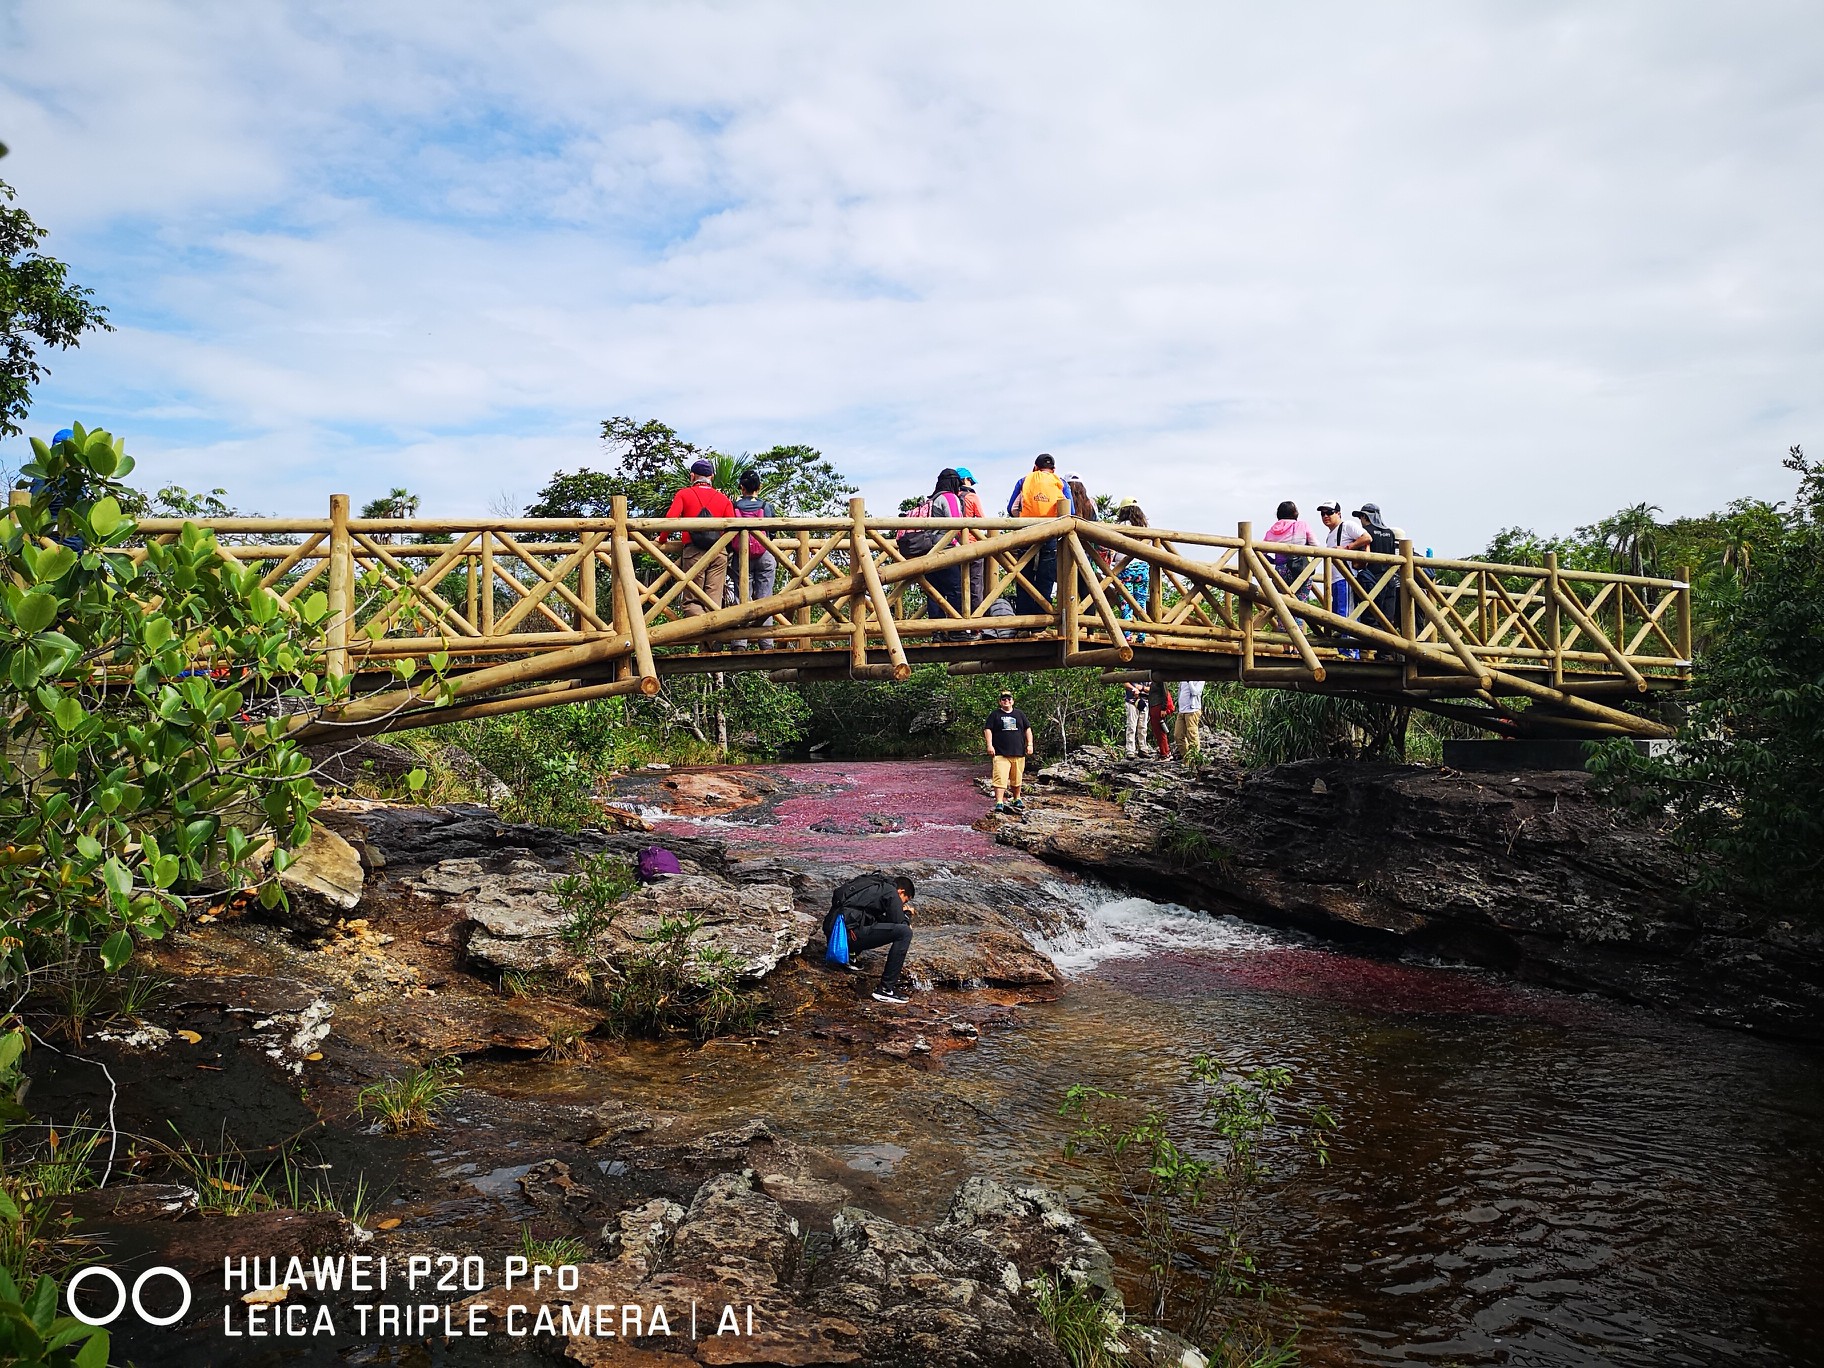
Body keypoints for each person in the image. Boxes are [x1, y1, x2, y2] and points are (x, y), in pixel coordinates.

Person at [825, 873, 918, 1004]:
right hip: (847, 936)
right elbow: (899, 923)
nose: (902, 903)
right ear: (901, 891)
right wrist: (906, 913)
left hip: (835, 934)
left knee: (870, 922)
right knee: (905, 933)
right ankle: (886, 989)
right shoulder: (891, 891)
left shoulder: (874, 885)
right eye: (905, 900)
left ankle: (850, 957)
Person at [662, 460, 737, 619]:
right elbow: (733, 526)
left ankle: (703, 631)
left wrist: (662, 538)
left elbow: (670, 518)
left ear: (692, 476)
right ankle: (712, 638)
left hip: (694, 552)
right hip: (718, 552)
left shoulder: (684, 494)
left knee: (692, 602)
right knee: (713, 602)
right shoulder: (723, 499)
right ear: (712, 477)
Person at [1006, 454, 1069, 621]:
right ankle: (1042, 618)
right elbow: (1072, 511)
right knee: (1046, 575)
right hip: (1051, 532)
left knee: (1023, 573)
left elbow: (1010, 508)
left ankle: (1023, 617)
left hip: (1028, 533)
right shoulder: (1061, 482)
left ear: (1035, 467)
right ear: (1053, 469)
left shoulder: (1024, 481)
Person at [901, 469, 967, 628]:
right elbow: (957, 524)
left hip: (929, 551)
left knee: (934, 592)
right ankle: (956, 629)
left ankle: (936, 631)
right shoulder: (949, 497)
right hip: (946, 550)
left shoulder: (931, 500)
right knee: (955, 590)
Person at [730, 469, 778, 648]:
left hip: (741, 558)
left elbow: (727, 531)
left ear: (741, 487)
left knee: (741, 597)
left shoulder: (734, 506)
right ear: (760, 486)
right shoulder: (766, 506)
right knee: (765, 599)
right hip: (764, 555)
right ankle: (766, 642)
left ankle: (739, 642)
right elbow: (772, 532)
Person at [1316, 501, 1368, 656]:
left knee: (1348, 614)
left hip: (1347, 577)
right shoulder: (1330, 534)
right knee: (1340, 614)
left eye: (1329, 512)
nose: (1325, 516)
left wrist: (1347, 548)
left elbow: (1366, 537)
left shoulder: (1347, 526)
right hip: (1336, 580)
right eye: (1322, 513)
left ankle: (1351, 652)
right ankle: (1343, 650)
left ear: (1338, 513)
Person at [1351, 503, 1404, 636]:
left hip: (1372, 579)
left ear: (1365, 516)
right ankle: (1385, 653)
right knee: (1387, 619)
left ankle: (1369, 648)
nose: (1360, 521)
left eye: (1360, 517)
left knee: (1370, 618)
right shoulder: (1390, 533)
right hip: (1389, 579)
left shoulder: (1366, 532)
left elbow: (1361, 558)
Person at [984, 689, 1034, 814]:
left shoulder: (1019, 714)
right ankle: (999, 802)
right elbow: (988, 730)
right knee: (1000, 778)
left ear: (1012, 701)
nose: (1006, 701)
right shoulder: (995, 715)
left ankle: (1017, 798)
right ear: (1000, 702)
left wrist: (1030, 744)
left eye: (1008, 699)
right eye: (1003, 699)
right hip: (1000, 753)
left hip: (1018, 752)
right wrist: (989, 745)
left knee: (1016, 778)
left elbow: (1027, 729)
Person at [1262, 501, 1319, 600]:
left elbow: (1261, 553)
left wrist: (1273, 561)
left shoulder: (1272, 530)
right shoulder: (1302, 525)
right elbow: (1316, 546)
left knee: (1282, 602)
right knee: (1300, 603)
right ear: (1295, 513)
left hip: (1280, 571)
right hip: (1301, 568)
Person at [1113, 500, 1151, 639]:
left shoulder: (1121, 526)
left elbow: (1113, 546)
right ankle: (1142, 635)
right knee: (1140, 602)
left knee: (1126, 602)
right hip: (1142, 568)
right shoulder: (1145, 527)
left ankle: (1127, 634)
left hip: (1125, 568)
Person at [955, 467, 987, 618]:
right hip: (973, 545)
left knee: (957, 586)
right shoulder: (972, 497)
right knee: (975, 584)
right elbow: (982, 521)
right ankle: (976, 622)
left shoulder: (953, 497)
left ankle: (957, 621)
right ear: (966, 480)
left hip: (953, 546)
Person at [1173, 679, 1204, 761]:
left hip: (1192, 710)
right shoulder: (1182, 679)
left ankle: (1194, 759)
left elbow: (1195, 692)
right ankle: (1186, 758)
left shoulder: (1200, 680)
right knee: (1178, 735)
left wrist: (1189, 681)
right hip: (1182, 711)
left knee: (1192, 735)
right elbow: (1180, 692)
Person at [1147, 678, 1174, 760]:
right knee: (1157, 730)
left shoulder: (1161, 679)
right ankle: (1164, 751)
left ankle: (1165, 753)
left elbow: (1165, 693)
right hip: (1153, 706)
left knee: (1160, 730)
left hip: (1158, 706)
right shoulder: (1154, 679)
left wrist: (1163, 708)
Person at [1122, 680, 1149, 758]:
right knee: (1131, 726)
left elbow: (1152, 687)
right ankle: (1130, 750)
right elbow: (1125, 681)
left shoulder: (1148, 672)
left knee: (1143, 726)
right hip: (1131, 701)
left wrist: (1142, 688)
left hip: (1144, 701)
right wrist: (1133, 688)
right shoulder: (1130, 670)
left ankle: (1143, 748)